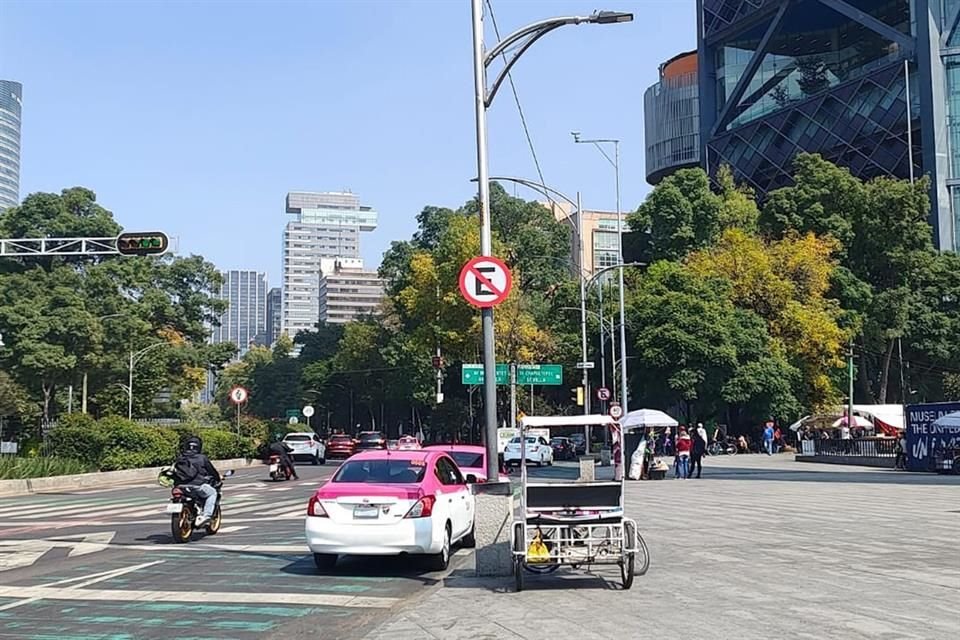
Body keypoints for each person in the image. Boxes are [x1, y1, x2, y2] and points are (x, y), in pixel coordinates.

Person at [172, 436, 221, 527]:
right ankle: (205, 515)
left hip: (180, 487)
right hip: (198, 486)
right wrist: (217, 478)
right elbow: (212, 471)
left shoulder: (180, 458)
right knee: (212, 493)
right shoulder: (202, 458)